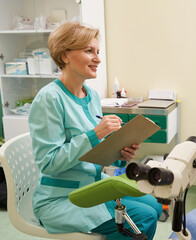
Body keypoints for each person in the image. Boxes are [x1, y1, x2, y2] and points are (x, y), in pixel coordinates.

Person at [28, 22, 162, 240]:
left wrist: (119, 154)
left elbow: (92, 155)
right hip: (61, 199)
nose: (98, 59)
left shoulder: (90, 96)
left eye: (97, 52)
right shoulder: (49, 98)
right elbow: (48, 163)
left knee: (154, 206)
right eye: (89, 51)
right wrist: (95, 134)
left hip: (91, 186)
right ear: (64, 56)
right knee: (143, 217)